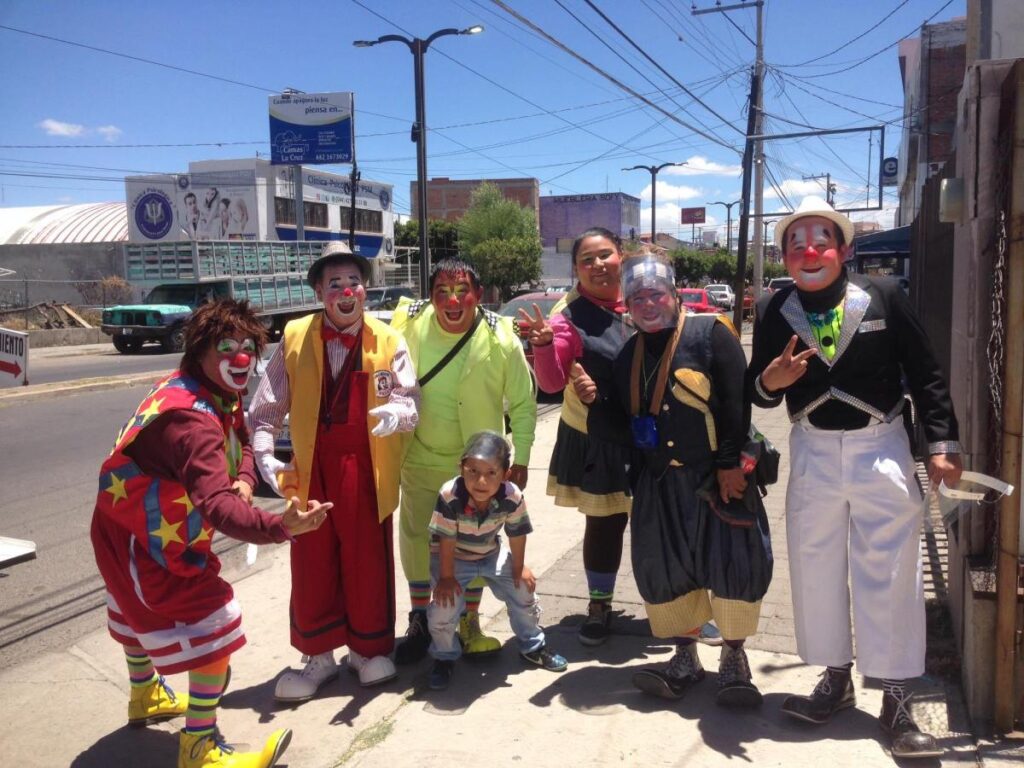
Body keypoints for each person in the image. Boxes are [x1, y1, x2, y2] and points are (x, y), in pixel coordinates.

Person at [747, 196, 962, 759]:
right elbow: (757, 389)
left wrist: (942, 443)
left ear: (843, 249)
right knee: (815, 564)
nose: (808, 252)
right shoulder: (774, 307)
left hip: (880, 447)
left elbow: (927, 373)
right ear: (784, 256)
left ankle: (895, 695)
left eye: (820, 241)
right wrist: (771, 381)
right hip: (812, 450)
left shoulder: (886, 295)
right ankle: (835, 678)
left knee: (890, 569)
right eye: (796, 244)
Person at [90, 298, 331, 768]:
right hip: (147, 538)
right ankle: (200, 746)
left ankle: (144, 695)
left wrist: (244, 478)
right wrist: (280, 525)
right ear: (200, 349)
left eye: (247, 347)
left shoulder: (211, 390)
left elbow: (237, 436)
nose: (241, 358)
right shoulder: (192, 422)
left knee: (128, 606)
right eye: (226, 347)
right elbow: (217, 507)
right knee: (216, 623)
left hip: (127, 524)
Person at [586, 253, 772, 708]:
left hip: (717, 477)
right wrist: (592, 401)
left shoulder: (711, 333)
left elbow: (735, 404)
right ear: (627, 306)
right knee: (666, 567)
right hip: (658, 482)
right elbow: (621, 426)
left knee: (734, 562)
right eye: (637, 298)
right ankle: (685, 657)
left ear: (673, 293)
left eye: (655, 294)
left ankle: (734, 661)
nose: (647, 305)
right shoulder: (629, 353)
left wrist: (730, 465)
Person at [249, 240, 420, 703]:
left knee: (366, 555)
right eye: (335, 284)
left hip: (365, 463)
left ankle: (367, 650)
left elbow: (410, 401)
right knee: (312, 557)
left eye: (354, 282)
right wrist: (265, 455)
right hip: (310, 465)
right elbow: (266, 409)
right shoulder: (295, 336)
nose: (346, 291)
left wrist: (396, 416)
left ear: (366, 290)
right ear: (319, 291)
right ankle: (318, 656)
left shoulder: (388, 339)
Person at [390, 258, 536, 664]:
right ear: (431, 295)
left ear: (479, 293)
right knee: (419, 537)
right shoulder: (407, 326)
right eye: (442, 292)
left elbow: (523, 403)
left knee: (477, 543)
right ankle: (421, 616)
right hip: (419, 456)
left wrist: (520, 456)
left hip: (478, 471)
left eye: (462, 291)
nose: (453, 301)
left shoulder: (500, 336)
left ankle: (468, 619)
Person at [519, 227, 634, 646]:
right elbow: (549, 382)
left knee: (668, 522)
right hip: (598, 435)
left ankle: (681, 607)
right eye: (587, 260)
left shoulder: (650, 297)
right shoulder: (566, 317)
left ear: (621, 257)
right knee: (605, 523)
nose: (598, 265)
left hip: (656, 431)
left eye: (605, 255)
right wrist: (545, 346)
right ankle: (599, 605)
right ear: (576, 270)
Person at [425, 431, 568, 690]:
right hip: (452, 557)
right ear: (461, 468)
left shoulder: (512, 496)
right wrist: (446, 578)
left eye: (491, 473)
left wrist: (518, 566)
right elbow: (445, 539)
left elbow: (517, 533)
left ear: (506, 474)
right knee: (445, 605)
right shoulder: (450, 494)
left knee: (523, 588)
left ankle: (533, 645)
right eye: (472, 471)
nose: (481, 481)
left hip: (491, 553)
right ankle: (444, 657)